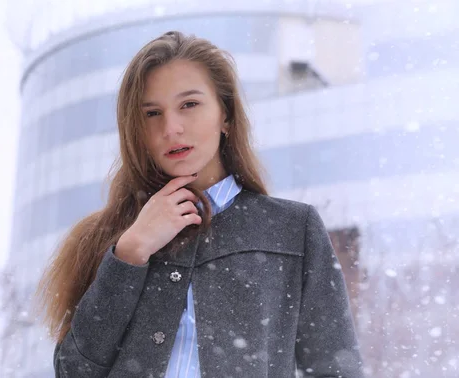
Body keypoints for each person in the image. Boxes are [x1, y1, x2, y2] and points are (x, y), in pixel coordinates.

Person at [36, 31, 365, 378]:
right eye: (152, 113)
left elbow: (336, 368)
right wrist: (131, 253)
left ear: (226, 116)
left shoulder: (292, 231)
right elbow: (74, 371)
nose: (171, 128)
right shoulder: (109, 239)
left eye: (189, 105)